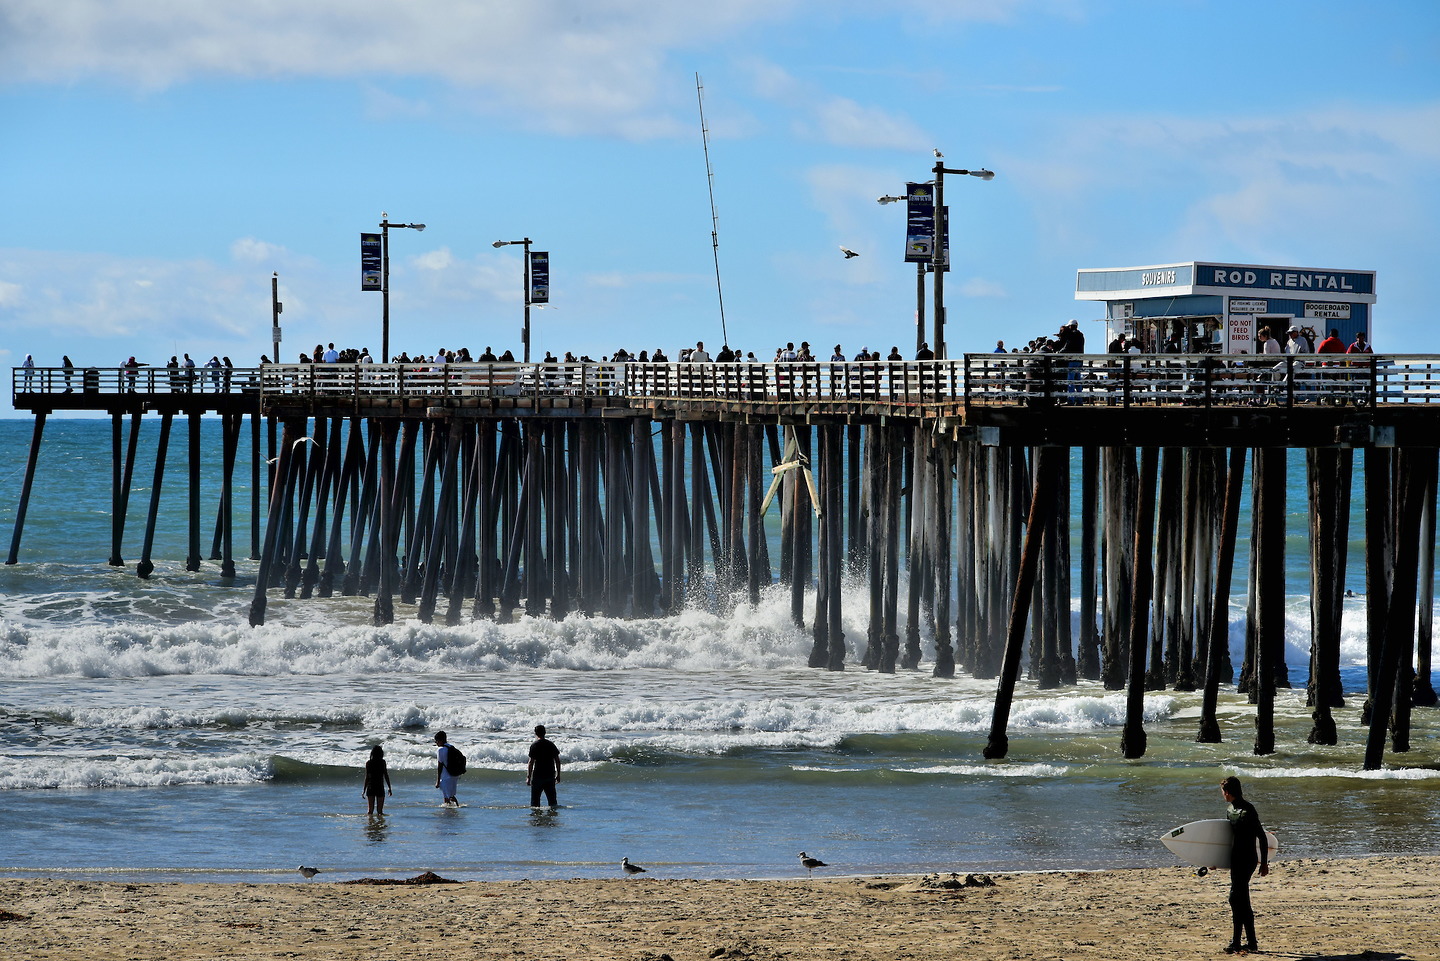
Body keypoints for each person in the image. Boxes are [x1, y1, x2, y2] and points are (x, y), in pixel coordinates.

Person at [1220, 775, 1268, 954]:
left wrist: (1264, 863)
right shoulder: (1229, 809)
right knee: (1242, 901)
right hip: (1235, 858)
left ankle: (1236, 942)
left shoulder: (1248, 811)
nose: (1222, 795)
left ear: (1227, 792)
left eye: (1222, 792)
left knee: (1235, 898)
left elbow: (1262, 837)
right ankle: (1251, 942)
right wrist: (1215, 861)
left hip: (1247, 859)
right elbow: (1226, 840)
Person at [526, 724, 562, 808]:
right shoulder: (550, 745)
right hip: (549, 776)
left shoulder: (534, 745)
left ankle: (536, 820)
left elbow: (531, 763)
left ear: (535, 733)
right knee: (553, 803)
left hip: (538, 776)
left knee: (535, 804)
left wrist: (528, 777)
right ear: (545, 733)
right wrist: (558, 774)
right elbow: (557, 760)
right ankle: (552, 819)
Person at [362, 744, 393, 816]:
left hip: (371, 787)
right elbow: (386, 775)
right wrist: (389, 788)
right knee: (380, 811)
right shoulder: (382, 762)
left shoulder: (369, 763)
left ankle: (370, 825)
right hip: (380, 787)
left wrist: (364, 790)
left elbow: (367, 777)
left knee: (370, 811)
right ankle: (379, 825)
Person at [434, 731, 460, 806]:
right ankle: (457, 807)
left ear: (441, 740)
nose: (436, 743)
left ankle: (447, 812)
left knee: (446, 797)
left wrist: (438, 781)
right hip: (454, 775)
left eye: (437, 741)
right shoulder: (451, 747)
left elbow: (440, 765)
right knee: (451, 796)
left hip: (446, 777)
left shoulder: (440, 750)